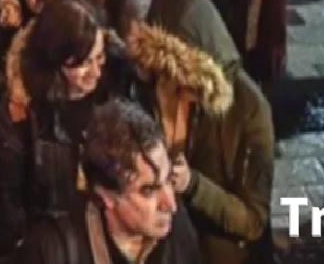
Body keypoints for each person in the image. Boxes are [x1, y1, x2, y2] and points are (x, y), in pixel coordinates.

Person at [0, 0, 134, 256]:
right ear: (54, 61)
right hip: (52, 243)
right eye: (81, 64)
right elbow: (8, 194)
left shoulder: (119, 86)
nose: (95, 72)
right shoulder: (23, 108)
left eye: (99, 58)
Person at [144, 0, 273, 264]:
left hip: (215, 249)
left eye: (186, 79)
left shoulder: (249, 109)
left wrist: (193, 186)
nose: (174, 86)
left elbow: (252, 221)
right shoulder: (144, 85)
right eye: (167, 74)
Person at [13, 98, 200, 264]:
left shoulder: (178, 228)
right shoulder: (52, 251)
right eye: (149, 190)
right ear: (106, 195)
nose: (170, 204)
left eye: (168, 180)